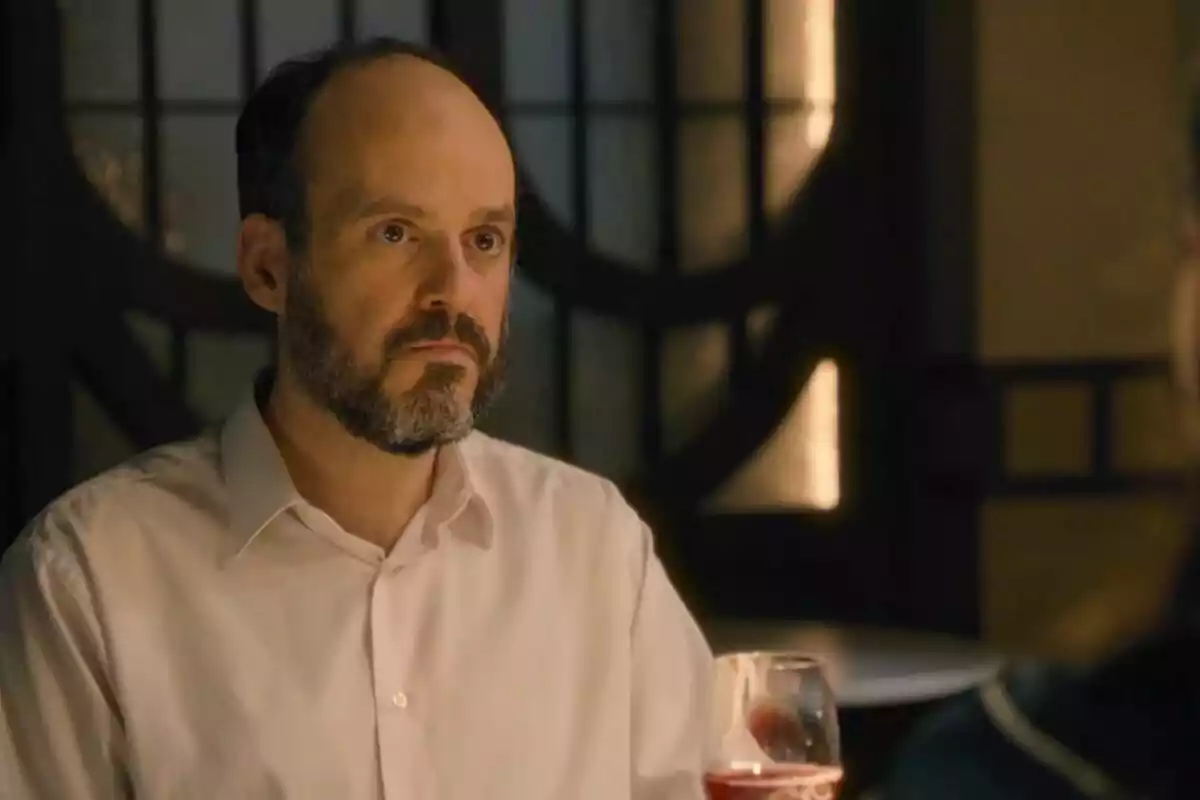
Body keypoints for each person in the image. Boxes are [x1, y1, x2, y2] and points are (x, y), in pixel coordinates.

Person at [0, 38, 712, 799]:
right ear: (267, 266)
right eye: (395, 233)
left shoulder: (596, 550)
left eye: (484, 240)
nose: (453, 289)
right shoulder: (88, 579)